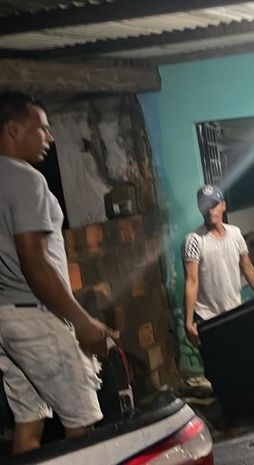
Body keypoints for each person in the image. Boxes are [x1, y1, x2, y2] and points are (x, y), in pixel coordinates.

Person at [0, 91, 117, 454]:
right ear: (14, 130)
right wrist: (81, 321)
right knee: (83, 426)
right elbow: (34, 262)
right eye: (43, 129)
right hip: (37, 318)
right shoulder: (26, 180)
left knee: (29, 422)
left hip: (5, 321)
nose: (50, 138)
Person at [182, 185, 254, 347]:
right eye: (205, 206)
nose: (210, 210)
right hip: (207, 317)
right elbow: (191, 282)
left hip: (235, 311)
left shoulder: (235, 233)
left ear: (223, 205)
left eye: (214, 204)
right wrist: (188, 322)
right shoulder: (194, 240)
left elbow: (247, 267)